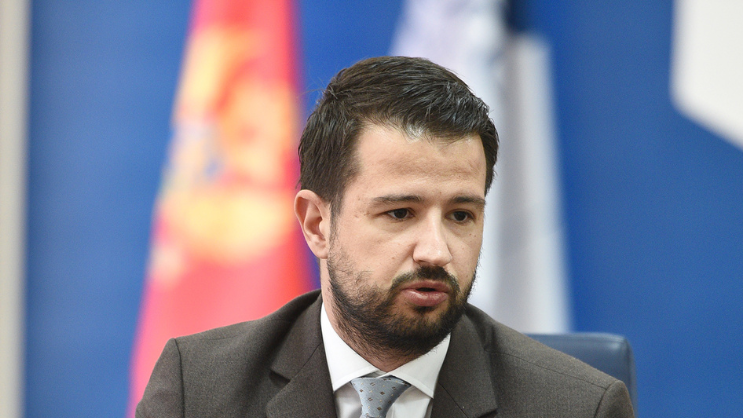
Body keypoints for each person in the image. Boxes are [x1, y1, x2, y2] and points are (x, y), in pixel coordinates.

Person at [136, 56, 634, 418]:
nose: (436, 251)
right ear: (317, 223)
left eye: (461, 215)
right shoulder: (198, 391)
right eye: (399, 213)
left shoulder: (576, 407)